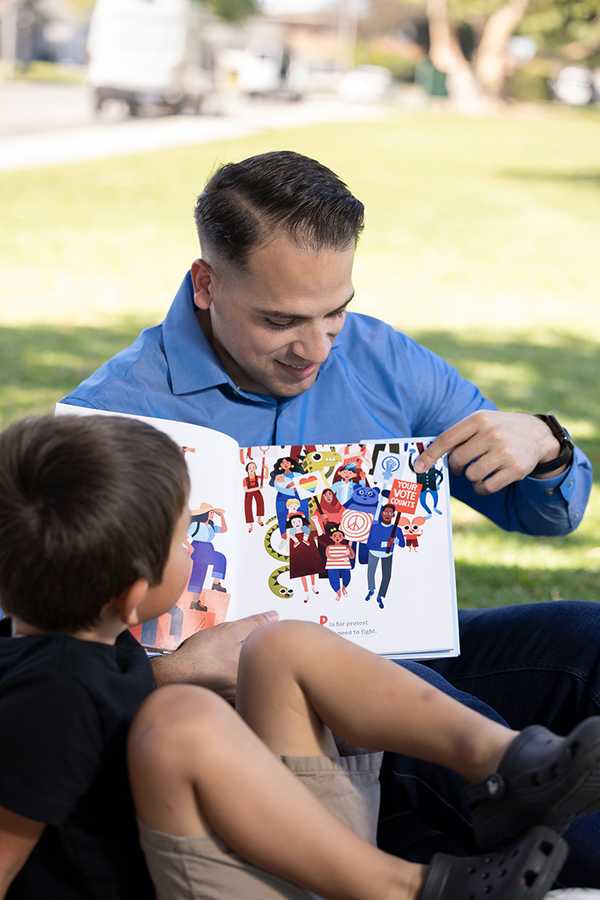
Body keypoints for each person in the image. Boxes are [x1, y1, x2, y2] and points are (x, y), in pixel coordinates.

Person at [61, 150, 598, 886]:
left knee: (584, 639)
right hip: (257, 707)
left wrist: (543, 445)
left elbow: (545, 514)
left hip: (405, 650)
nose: (315, 350)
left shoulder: (382, 359)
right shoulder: (113, 415)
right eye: (281, 320)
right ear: (207, 284)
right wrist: (176, 669)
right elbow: (40, 658)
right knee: (435, 716)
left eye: (334, 312)